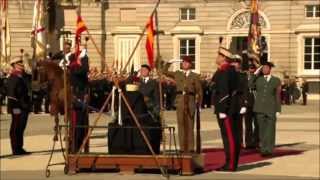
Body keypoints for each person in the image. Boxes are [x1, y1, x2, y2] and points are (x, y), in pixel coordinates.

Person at [162, 56, 203, 153]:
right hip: (180, 101)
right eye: (183, 62)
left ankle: (190, 148)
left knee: (190, 125)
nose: (184, 64)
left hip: (191, 101)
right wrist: (169, 62)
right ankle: (182, 147)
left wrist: (200, 104)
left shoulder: (195, 76)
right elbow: (164, 72)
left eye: (187, 62)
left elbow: (199, 91)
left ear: (190, 64)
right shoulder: (177, 73)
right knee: (181, 125)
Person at [211, 47, 241, 171]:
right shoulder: (224, 70)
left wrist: (222, 109)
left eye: (219, 55)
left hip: (227, 110)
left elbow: (224, 91)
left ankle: (231, 163)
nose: (216, 57)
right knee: (227, 136)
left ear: (224, 58)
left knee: (230, 137)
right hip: (226, 108)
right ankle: (228, 161)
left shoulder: (226, 71)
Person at [251, 62, 281, 157]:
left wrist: (278, 109)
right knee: (262, 130)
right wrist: (255, 74)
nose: (264, 70)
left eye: (266, 68)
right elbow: (249, 85)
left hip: (271, 108)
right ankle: (263, 149)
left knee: (271, 129)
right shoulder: (258, 80)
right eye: (263, 68)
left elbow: (277, 95)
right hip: (259, 108)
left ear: (270, 69)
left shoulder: (276, 80)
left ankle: (270, 149)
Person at [7, 57, 31, 155]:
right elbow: (11, 94)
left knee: (21, 127)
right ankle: (15, 148)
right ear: (15, 65)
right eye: (19, 62)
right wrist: (15, 108)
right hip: (17, 107)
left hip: (23, 106)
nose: (22, 64)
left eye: (22, 62)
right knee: (16, 127)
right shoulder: (13, 77)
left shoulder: (21, 76)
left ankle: (19, 147)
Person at [69, 47, 90, 153]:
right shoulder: (73, 64)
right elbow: (81, 71)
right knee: (76, 127)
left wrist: (83, 57)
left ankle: (82, 147)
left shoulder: (79, 62)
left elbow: (85, 72)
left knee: (83, 126)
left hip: (83, 96)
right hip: (76, 98)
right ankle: (74, 149)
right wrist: (82, 58)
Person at [245, 64, 259, 149]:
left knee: (257, 125)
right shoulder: (245, 78)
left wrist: (254, 76)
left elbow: (252, 86)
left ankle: (256, 141)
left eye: (253, 69)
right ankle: (248, 142)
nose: (251, 70)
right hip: (247, 104)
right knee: (248, 125)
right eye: (250, 69)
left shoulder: (258, 78)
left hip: (256, 103)